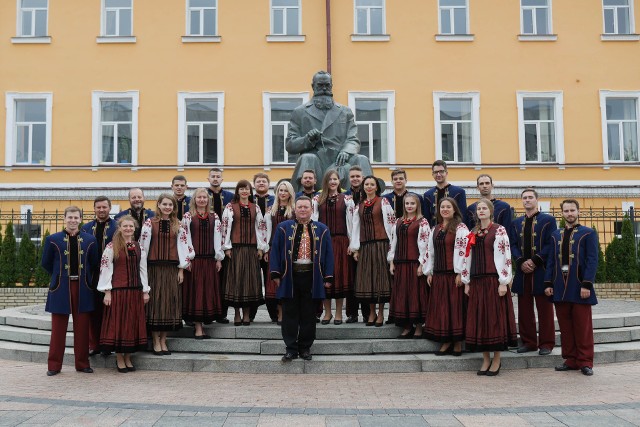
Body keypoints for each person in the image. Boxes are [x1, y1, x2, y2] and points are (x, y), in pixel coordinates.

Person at [270, 196, 334, 362]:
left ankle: (305, 348)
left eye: (306, 207)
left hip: (312, 277)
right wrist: (276, 274)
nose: (303, 210)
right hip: (290, 276)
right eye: (300, 207)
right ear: (295, 209)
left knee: (309, 315)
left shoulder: (322, 229)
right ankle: (290, 349)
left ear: (311, 209)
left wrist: (328, 277)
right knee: (290, 314)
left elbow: (328, 255)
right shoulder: (283, 227)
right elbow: (275, 251)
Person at [286, 71, 373, 191]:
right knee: (307, 158)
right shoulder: (300, 112)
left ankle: (367, 201)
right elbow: (290, 145)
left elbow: (353, 139)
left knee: (362, 159)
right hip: (317, 160)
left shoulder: (345, 111)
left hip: (341, 159)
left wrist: (346, 151)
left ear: (331, 86)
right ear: (313, 86)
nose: (324, 89)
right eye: (320, 86)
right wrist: (307, 139)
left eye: (327, 85)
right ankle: (304, 200)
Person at [41, 206, 99, 376]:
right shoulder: (52, 239)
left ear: (81, 219)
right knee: (58, 329)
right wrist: (59, 276)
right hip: (60, 287)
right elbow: (46, 263)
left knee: (82, 328)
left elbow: (94, 263)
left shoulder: (90, 240)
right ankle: (54, 365)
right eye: (70, 217)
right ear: (64, 219)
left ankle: (82, 364)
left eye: (76, 217)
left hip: (83, 288)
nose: (73, 220)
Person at [463, 199, 517, 376]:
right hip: (477, 281)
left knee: (494, 319)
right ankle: (485, 358)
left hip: (493, 281)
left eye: (484, 208)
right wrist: (467, 281)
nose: (481, 211)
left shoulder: (499, 230)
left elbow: (504, 256)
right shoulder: (473, 231)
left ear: (491, 211)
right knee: (479, 319)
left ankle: (497, 359)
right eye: (479, 208)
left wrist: (503, 281)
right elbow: (467, 257)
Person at [545, 199, 599, 376]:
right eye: (566, 211)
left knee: (582, 326)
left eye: (572, 210)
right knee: (566, 326)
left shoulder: (588, 233)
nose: (569, 213)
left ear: (578, 211)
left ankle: (585, 361)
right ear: (562, 213)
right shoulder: (555, 235)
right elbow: (551, 261)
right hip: (560, 286)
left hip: (579, 286)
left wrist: (586, 284)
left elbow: (592, 260)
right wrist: (548, 283)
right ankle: (570, 360)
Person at [140, 194, 194, 355]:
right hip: (154, 269)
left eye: (170, 205)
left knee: (170, 304)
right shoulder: (150, 223)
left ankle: (164, 339)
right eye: (164, 204)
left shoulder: (178, 224)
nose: (167, 207)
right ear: (159, 205)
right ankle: (156, 340)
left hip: (171, 270)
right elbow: (143, 248)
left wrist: (181, 270)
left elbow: (183, 248)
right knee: (156, 304)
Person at [97, 215, 149, 373]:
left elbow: (143, 270)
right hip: (119, 291)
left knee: (131, 325)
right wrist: (107, 292)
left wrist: (145, 290)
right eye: (125, 226)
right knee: (120, 324)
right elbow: (105, 269)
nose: (128, 229)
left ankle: (128, 357)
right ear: (119, 228)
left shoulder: (139, 247)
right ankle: (120, 358)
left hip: (135, 291)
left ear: (134, 229)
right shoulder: (112, 246)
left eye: (131, 226)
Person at [509, 188, 557, 355]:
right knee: (524, 309)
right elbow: (513, 245)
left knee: (545, 309)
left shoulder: (548, 220)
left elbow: (550, 244)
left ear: (537, 200)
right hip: (523, 272)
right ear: (521, 201)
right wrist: (521, 261)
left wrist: (535, 260)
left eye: (530, 197)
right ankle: (528, 342)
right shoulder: (515, 223)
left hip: (541, 270)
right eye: (524, 198)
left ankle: (546, 343)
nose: (527, 200)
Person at [424, 198, 469, 356]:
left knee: (454, 308)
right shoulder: (435, 228)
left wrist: (460, 272)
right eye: (442, 207)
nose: (445, 209)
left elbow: (464, 251)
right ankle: (445, 340)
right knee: (442, 308)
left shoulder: (461, 228)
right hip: (439, 274)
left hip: (453, 275)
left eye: (448, 207)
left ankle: (457, 342)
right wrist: (429, 271)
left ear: (454, 209)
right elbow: (430, 251)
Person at [221, 180, 268, 326]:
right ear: (237, 191)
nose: (244, 191)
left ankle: (246, 314)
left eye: (246, 189)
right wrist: (227, 247)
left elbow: (261, 228)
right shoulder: (230, 207)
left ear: (250, 191)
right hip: (235, 248)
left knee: (249, 281)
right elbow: (225, 227)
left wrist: (261, 247)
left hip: (251, 249)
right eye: (241, 189)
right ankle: (236, 314)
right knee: (236, 281)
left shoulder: (256, 208)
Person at [350, 176, 395, 327]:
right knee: (367, 280)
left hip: (381, 245)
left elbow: (390, 225)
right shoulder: (359, 206)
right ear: (363, 187)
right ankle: (371, 313)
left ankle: (381, 313)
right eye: (366, 184)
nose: (369, 187)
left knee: (380, 279)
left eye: (372, 184)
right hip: (365, 247)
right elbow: (356, 228)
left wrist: (391, 247)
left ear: (376, 187)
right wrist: (356, 248)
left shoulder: (383, 202)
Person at [312, 170, 355, 325]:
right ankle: (327, 312)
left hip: (341, 241)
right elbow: (313, 222)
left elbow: (351, 223)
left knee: (339, 276)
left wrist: (352, 243)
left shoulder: (347, 199)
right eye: (330, 179)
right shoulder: (318, 199)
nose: (332, 182)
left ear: (339, 181)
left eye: (335, 179)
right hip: (323, 241)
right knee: (325, 276)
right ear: (326, 181)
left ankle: (338, 313)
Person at [182, 188, 224, 338]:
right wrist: (187, 259)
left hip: (209, 260)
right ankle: (198, 328)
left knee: (207, 293)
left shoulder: (214, 216)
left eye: (204, 197)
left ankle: (204, 323)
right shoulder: (188, 217)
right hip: (195, 261)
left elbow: (218, 238)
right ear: (194, 200)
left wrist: (219, 258)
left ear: (208, 200)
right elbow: (184, 239)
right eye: (199, 197)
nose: (201, 200)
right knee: (196, 293)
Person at [388, 193, 430, 338]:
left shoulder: (422, 222)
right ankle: (406, 327)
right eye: (407, 203)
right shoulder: (398, 222)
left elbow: (425, 246)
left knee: (415, 296)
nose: (409, 206)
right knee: (402, 295)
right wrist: (392, 262)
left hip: (414, 264)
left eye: (412, 203)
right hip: (400, 263)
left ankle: (418, 327)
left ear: (417, 205)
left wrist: (421, 265)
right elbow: (393, 243)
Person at [81, 196, 117, 357]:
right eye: (98, 207)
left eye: (104, 207)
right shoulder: (86, 228)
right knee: (92, 311)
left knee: (109, 311)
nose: (101, 210)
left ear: (110, 208)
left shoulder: (117, 227)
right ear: (94, 209)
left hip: (112, 274)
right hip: (92, 275)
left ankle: (107, 345)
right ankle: (93, 344)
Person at [264, 180, 296, 324]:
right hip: (275, 250)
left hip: (291, 250)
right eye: (280, 190)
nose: (283, 193)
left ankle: (290, 313)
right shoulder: (271, 210)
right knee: (276, 282)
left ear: (290, 193)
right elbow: (267, 232)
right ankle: (280, 314)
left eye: (285, 190)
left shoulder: (295, 210)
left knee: (289, 281)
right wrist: (266, 249)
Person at [206, 167, 234, 324]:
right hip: (206, 245)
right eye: (213, 176)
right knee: (209, 281)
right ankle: (208, 313)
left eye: (218, 176)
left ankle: (222, 313)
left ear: (222, 179)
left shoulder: (230, 197)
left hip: (225, 243)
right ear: (208, 179)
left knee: (223, 280)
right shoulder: (202, 195)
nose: (215, 179)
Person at [344, 165, 369, 323]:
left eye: (357, 176)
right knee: (351, 279)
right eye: (352, 176)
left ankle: (367, 313)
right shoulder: (344, 196)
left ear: (362, 177)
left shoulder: (368, 195)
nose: (355, 179)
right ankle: (352, 313)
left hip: (366, 242)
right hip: (348, 243)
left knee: (365, 279)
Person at [252, 172, 275, 322]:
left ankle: (273, 313)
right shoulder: (248, 200)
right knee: (253, 280)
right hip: (253, 247)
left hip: (270, 248)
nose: (261, 183)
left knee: (270, 280)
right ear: (254, 184)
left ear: (268, 184)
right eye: (258, 181)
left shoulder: (275, 200)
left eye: (264, 181)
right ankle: (252, 314)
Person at [423, 160, 467, 228]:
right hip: (434, 232)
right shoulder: (427, 195)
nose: (438, 174)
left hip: (454, 231)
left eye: (441, 171)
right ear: (432, 174)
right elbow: (427, 218)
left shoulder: (459, 192)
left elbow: (463, 216)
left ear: (446, 173)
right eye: (435, 172)